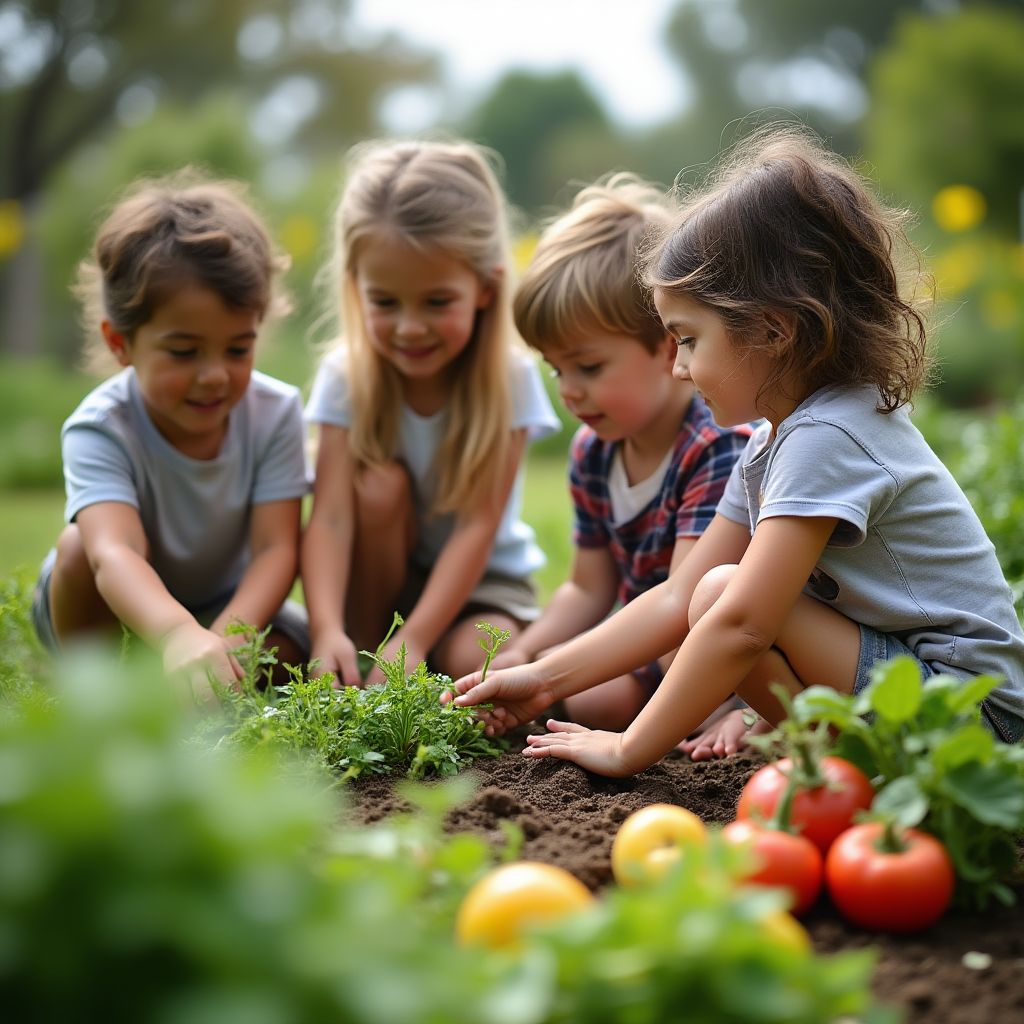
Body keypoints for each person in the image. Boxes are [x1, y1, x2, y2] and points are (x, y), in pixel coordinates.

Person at [447, 126, 1024, 776]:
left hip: (977, 717)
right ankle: (843, 766)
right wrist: (543, 678)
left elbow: (743, 622)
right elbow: (674, 599)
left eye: (688, 340)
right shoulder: (770, 443)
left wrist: (629, 747)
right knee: (711, 592)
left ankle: (846, 762)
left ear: (772, 332)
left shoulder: (829, 434)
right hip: (909, 689)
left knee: (727, 593)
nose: (680, 368)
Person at [491, 173, 752, 757]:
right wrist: (527, 652)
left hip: (713, 644)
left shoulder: (713, 446)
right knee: (590, 701)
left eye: (588, 366)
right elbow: (587, 586)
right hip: (648, 645)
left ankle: (740, 714)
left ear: (667, 346)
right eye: (556, 370)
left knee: (657, 657)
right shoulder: (593, 451)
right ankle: (671, 716)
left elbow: (688, 610)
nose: (570, 391)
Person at [31, 172, 310, 700]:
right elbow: (113, 553)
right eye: (184, 352)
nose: (214, 375)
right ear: (121, 343)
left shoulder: (275, 414)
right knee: (74, 548)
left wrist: (222, 643)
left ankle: (194, 691)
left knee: (293, 655)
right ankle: (100, 702)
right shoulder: (101, 427)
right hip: (113, 607)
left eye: (237, 349)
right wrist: (178, 635)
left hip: (225, 605)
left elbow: (277, 549)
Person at [302, 139, 559, 687]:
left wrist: (415, 638)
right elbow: (329, 518)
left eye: (437, 302)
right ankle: (365, 660)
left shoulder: (509, 381)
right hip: (377, 584)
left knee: (481, 660)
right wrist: (325, 629)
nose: (410, 327)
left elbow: (477, 527)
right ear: (356, 287)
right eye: (386, 302)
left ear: (485, 290)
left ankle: (414, 654)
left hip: (482, 583)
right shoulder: (345, 380)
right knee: (377, 486)